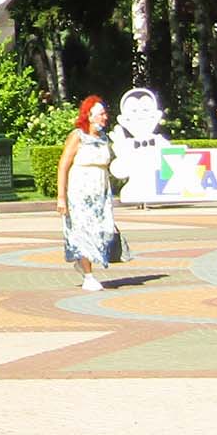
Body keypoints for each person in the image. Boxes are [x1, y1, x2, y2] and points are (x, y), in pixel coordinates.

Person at [56, 95, 126, 290]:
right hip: (80, 195)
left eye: (104, 113)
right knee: (84, 233)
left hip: (100, 194)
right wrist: (61, 197)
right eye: (101, 114)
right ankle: (88, 275)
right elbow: (63, 166)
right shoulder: (77, 136)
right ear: (89, 115)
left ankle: (82, 263)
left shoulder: (103, 138)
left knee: (103, 231)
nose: (105, 117)